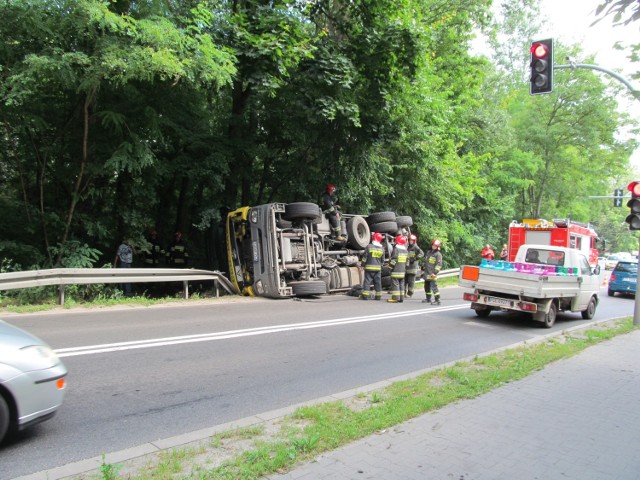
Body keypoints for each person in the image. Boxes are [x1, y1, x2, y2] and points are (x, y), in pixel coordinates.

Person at [359, 232, 385, 300]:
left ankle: (365, 296)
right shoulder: (382, 249)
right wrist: (380, 267)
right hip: (378, 269)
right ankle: (378, 296)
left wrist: (362, 265)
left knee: (367, 282)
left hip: (369, 268)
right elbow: (383, 260)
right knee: (378, 282)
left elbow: (364, 257)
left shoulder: (369, 246)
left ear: (374, 238)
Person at [387, 234, 409, 303]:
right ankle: (401, 298)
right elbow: (407, 261)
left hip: (396, 271)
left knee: (395, 284)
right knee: (402, 284)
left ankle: (395, 298)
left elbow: (394, 260)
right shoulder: (406, 251)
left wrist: (389, 267)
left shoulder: (396, 250)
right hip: (402, 271)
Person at [422, 239, 443, 305]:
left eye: (435, 246)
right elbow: (426, 261)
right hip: (427, 273)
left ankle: (437, 300)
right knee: (426, 287)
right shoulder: (429, 252)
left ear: (438, 247)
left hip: (432, 274)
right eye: (433, 245)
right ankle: (428, 299)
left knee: (434, 287)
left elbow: (438, 265)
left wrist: (435, 273)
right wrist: (423, 267)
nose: (434, 246)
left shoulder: (438, 255)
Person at [405, 234, 424, 298]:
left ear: (414, 241)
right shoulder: (408, 247)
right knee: (405, 281)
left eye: (412, 240)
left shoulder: (416, 247)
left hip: (412, 268)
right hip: (406, 267)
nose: (410, 241)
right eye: (410, 240)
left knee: (411, 282)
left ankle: (410, 293)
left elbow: (422, 254)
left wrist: (415, 258)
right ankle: (404, 292)